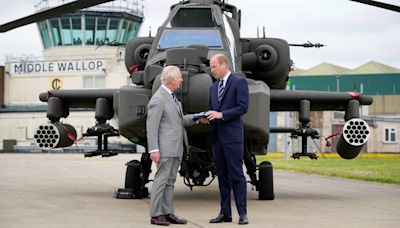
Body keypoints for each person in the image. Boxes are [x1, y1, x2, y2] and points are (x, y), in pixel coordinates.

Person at [146, 65, 196, 226]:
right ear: (172, 80)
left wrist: (197, 117)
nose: (182, 80)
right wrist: (153, 149)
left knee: (170, 181)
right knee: (161, 181)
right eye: (179, 77)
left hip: (176, 148)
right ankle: (155, 214)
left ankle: (167, 212)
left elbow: (179, 121)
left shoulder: (173, 98)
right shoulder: (158, 98)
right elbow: (151, 126)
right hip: (165, 149)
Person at [205, 53, 249, 225]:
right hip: (218, 138)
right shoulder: (213, 87)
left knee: (237, 175)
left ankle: (242, 213)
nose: (212, 69)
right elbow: (212, 109)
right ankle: (225, 213)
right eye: (211, 66)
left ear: (224, 65)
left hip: (232, 138)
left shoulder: (239, 82)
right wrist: (206, 116)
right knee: (222, 177)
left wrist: (222, 115)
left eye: (214, 66)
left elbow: (242, 108)